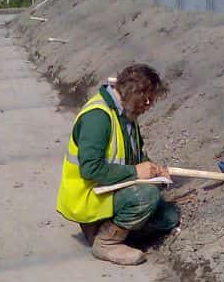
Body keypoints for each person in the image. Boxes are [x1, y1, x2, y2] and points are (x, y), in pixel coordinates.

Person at [56, 64, 180, 265]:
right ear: (134, 93)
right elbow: (90, 169)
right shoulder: (98, 118)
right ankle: (106, 242)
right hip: (89, 196)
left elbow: (133, 153)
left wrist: (153, 171)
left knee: (168, 217)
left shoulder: (127, 113)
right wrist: (136, 172)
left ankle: (107, 228)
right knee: (146, 196)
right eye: (147, 100)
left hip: (110, 188)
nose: (148, 106)